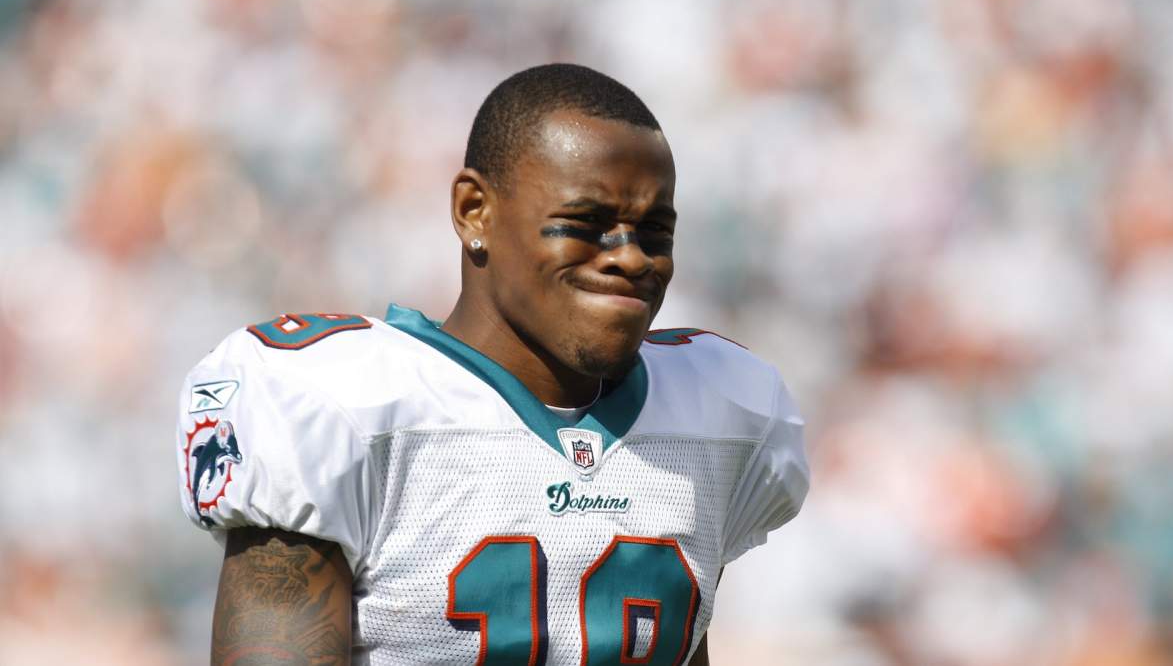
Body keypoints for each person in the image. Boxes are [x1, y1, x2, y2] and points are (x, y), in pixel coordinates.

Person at [175, 63, 809, 666]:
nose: (631, 257)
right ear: (474, 211)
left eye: (654, 232)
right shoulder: (340, 401)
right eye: (586, 223)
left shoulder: (717, 409)